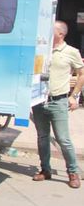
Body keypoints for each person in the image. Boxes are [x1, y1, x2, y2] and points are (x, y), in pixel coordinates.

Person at [31, 20, 82, 189]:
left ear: (61, 34)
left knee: (63, 139)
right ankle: (45, 169)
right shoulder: (41, 50)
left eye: (51, 31)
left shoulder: (70, 52)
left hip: (58, 101)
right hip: (39, 101)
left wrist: (74, 96)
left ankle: (73, 172)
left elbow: (81, 73)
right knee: (43, 137)